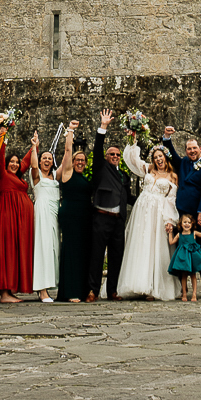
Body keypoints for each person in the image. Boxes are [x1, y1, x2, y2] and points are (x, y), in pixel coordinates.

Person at [160, 125, 201, 300]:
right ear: (186, 150)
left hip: (195, 214)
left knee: (200, 251)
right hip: (180, 214)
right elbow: (172, 154)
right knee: (181, 252)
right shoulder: (184, 162)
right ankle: (181, 289)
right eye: (189, 149)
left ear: (200, 149)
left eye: (194, 148)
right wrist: (166, 138)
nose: (192, 151)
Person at [116, 135, 177, 300]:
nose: (158, 159)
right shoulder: (149, 169)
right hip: (142, 211)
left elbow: (171, 200)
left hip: (158, 213)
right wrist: (132, 141)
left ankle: (152, 287)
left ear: (166, 157)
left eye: (161, 156)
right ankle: (137, 284)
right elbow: (132, 161)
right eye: (156, 157)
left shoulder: (172, 176)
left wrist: (169, 220)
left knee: (154, 247)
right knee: (140, 244)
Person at [84, 109, 132, 301]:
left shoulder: (125, 176)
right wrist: (102, 128)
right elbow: (97, 149)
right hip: (101, 217)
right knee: (96, 255)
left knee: (116, 256)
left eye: (118, 155)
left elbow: (127, 197)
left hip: (118, 220)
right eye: (111, 154)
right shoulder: (101, 168)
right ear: (106, 157)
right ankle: (92, 290)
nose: (115, 156)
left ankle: (112, 290)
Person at [0, 129, 33, 302]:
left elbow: (26, 163)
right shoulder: (0, 175)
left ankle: (9, 290)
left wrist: (34, 146)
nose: (14, 164)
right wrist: (2, 140)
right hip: (6, 217)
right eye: (11, 162)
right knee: (6, 251)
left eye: (16, 162)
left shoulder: (18, 177)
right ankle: (4, 293)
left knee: (14, 252)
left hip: (18, 220)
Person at [54, 121, 94, 302]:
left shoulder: (84, 177)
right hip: (71, 216)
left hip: (85, 217)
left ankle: (83, 289)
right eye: (78, 160)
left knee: (83, 252)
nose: (80, 162)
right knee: (71, 252)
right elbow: (68, 151)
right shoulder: (67, 173)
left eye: (83, 161)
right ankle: (70, 292)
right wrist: (70, 131)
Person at [27, 131, 62, 302]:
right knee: (43, 248)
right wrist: (34, 146)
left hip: (54, 212)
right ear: (40, 161)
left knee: (53, 248)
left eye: (49, 158)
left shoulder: (55, 176)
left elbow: (66, 164)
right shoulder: (37, 176)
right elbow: (33, 166)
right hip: (42, 211)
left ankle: (48, 285)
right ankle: (42, 289)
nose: (47, 160)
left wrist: (69, 133)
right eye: (44, 158)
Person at [168, 213, 201, 301]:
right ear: (180, 224)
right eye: (184, 222)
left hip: (192, 256)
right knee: (183, 275)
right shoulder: (179, 235)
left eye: (189, 222)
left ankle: (194, 294)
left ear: (192, 224)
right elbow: (171, 242)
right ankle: (184, 294)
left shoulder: (194, 233)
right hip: (183, 257)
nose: (187, 224)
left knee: (193, 275)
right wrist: (170, 232)